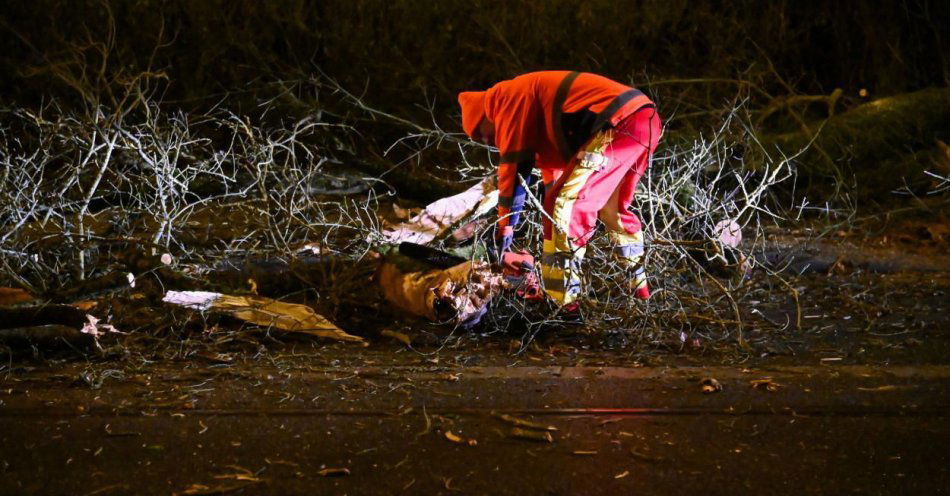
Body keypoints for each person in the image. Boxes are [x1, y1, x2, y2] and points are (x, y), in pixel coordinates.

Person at [457, 71, 662, 308]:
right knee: (612, 210)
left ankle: (564, 306)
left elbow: (513, 167)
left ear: (484, 116)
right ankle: (641, 295)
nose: (487, 141)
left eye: (482, 134)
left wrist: (505, 231)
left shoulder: (507, 99)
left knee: (567, 206)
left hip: (617, 120)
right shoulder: (536, 121)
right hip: (644, 121)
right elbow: (552, 187)